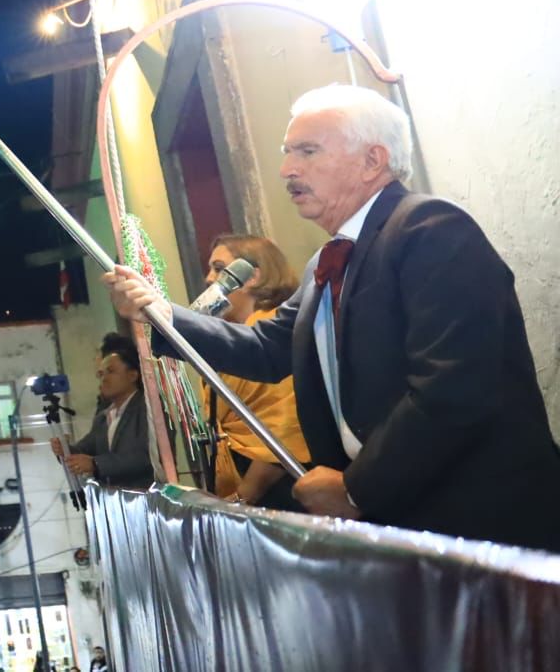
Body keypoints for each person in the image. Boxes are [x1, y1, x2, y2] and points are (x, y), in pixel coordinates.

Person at [104, 84, 560, 549]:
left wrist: (355, 488)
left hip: (482, 520)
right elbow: (267, 348)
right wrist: (161, 315)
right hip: (400, 520)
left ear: (372, 160)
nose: (286, 169)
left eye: (307, 151)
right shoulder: (329, 260)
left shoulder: (430, 229)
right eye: (287, 153)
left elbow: (453, 387)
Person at [202, 233, 310, 510]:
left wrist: (243, 497)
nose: (209, 279)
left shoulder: (273, 333)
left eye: (218, 268)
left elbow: (285, 428)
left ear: (252, 277)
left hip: (282, 488)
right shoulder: (236, 335)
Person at [51, 333, 153, 489]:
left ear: (133, 375)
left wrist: (95, 464)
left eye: (111, 371)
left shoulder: (147, 409)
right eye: (101, 374)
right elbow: (86, 449)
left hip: (146, 498)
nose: (104, 379)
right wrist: (65, 449)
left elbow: (147, 458)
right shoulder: (103, 418)